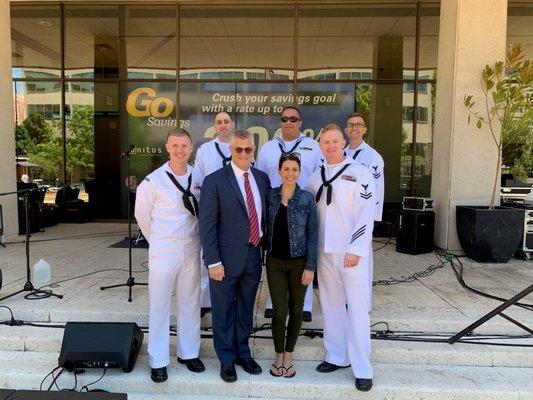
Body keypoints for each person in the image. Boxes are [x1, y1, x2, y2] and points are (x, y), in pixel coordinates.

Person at [307, 124, 375, 392]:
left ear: (343, 142)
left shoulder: (360, 173)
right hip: (324, 252)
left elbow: (365, 214)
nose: (331, 146)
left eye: (336, 141)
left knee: (357, 310)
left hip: (352, 254)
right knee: (331, 306)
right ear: (321, 145)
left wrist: (355, 249)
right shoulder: (314, 178)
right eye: (326, 142)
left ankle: (362, 367)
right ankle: (336, 355)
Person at [199, 129, 270, 383]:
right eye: (238, 149)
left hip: (253, 256)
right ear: (231, 150)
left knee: (245, 309)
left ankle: (243, 353)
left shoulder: (261, 179)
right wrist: (213, 261)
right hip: (224, 261)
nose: (243, 153)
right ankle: (226, 359)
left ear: (253, 151)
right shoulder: (215, 180)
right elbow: (206, 226)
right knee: (223, 311)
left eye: (247, 149)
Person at [135, 128, 205, 383]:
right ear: (166, 147)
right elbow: (142, 216)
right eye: (175, 146)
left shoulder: (199, 175)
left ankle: (189, 353)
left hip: (191, 248)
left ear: (191, 148)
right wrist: (159, 241)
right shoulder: (153, 181)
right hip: (164, 250)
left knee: (190, 303)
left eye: (184, 146)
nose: (180, 150)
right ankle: (158, 360)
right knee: (160, 306)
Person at [257, 106, 322, 322]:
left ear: (300, 122)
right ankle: (273, 303)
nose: (289, 122)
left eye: (293, 119)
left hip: (303, 206)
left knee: (302, 255)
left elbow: (321, 177)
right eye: (285, 119)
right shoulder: (267, 148)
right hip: (277, 207)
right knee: (276, 254)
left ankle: (305, 305)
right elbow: (261, 180)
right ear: (280, 122)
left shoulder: (313, 146)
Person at [266, 153, 318, 378]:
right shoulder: (270, 196)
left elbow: (313, 234)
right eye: (285, 169)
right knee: (279, 312)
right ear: (279, 172)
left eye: (294, 169)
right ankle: (278, 355)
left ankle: (289, 354)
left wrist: (311, 266)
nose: (290, 173)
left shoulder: (307, 198)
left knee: (297, 310)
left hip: (299, 263)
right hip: (275, 262)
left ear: (299, 171)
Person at [194, 111, 235, 317]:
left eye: (226, 121)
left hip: (235, 212)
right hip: (212, 209)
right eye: (219, 122)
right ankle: (205, 300)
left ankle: (230, 297)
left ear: (233, 124)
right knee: (208, 253)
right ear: (214, 126)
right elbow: (198, 180)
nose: (223, 125)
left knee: (232, 255)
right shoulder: (205, 150)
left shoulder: (242, 146)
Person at [344, 112, 385, 309]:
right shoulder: (343, 153)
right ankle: (346, 301)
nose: (354, 128)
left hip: (362, 217)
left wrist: (371, 220)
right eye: (351, 125)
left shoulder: (372, 157)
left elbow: (377, 189)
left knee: (361, 260)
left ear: (364, 129)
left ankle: (363, 304)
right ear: (346, 129)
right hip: (344, 217)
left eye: (358, 125)